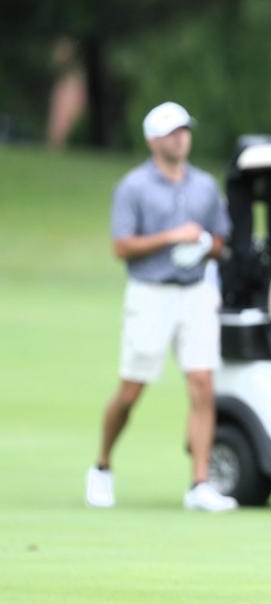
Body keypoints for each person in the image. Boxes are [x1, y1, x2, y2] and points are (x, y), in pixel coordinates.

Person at [84, 101, 238, 513]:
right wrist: (172, 237)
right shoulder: (133, 187)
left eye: (185, 131)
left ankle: (200, 483)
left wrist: (205, 244)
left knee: (203, 386)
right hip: (150, 292)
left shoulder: (205, 186)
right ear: (154, 140)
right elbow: (121, 245)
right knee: (132, 389)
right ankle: (102, 467)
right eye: (172, 133)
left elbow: (221, 239)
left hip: (196, 291)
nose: (181, 138)